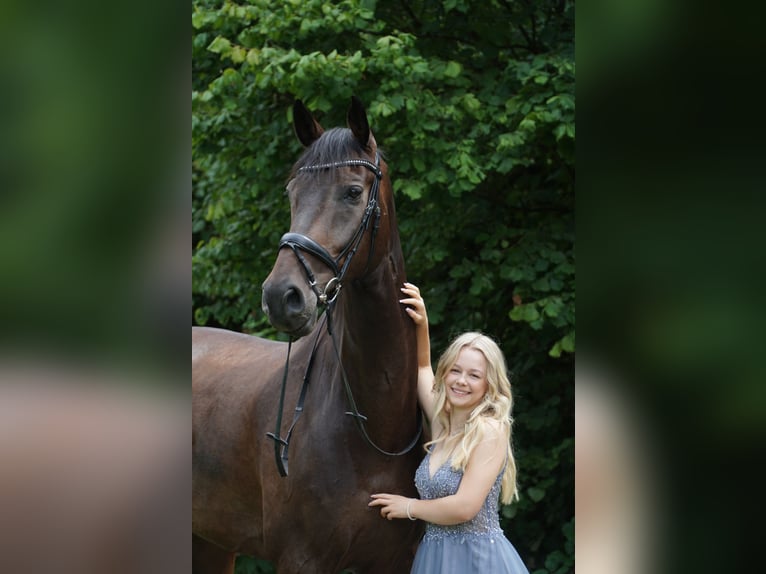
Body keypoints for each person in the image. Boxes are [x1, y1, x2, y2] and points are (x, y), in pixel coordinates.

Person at [369, 283, 530, 573]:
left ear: (488, 385)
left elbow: (465, 507)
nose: (461, 381)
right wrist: (422, 325)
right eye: (455, 370)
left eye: (474, 375)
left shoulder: (490, 429)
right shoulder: (443, 423)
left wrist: (409, 507)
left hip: (479, 562)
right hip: (434, 561)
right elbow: (421, 368)